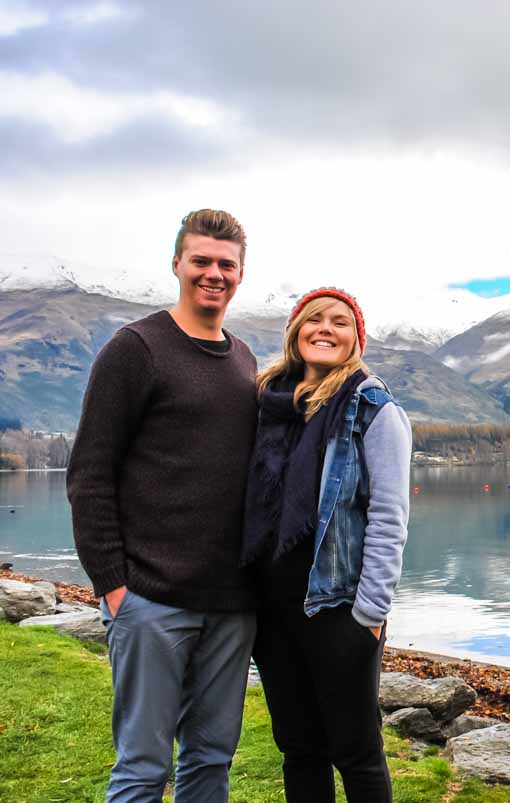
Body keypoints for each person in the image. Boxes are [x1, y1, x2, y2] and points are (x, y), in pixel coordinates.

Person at [67, 209, 259, 802]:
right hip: (151, 600)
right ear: (177, 263)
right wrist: (114, 587)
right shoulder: (136, 349)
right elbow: (89, 474)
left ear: (241, 274)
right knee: (143, 768)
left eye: (226, 264)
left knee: (211, 762)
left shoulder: (245, 359)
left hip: (232, 603)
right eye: (201, 260)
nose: (214, 273)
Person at [243, 287, 412, 802]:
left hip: (337, 607)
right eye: (313, 319)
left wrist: (370, 613)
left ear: (355, 338)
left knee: (356, 753)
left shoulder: (373, 408)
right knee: (299, 748)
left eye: (339, 322)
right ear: (295, 332)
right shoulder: (269, 400)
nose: (324, 329)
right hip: (272, 609)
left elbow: (389, 516)